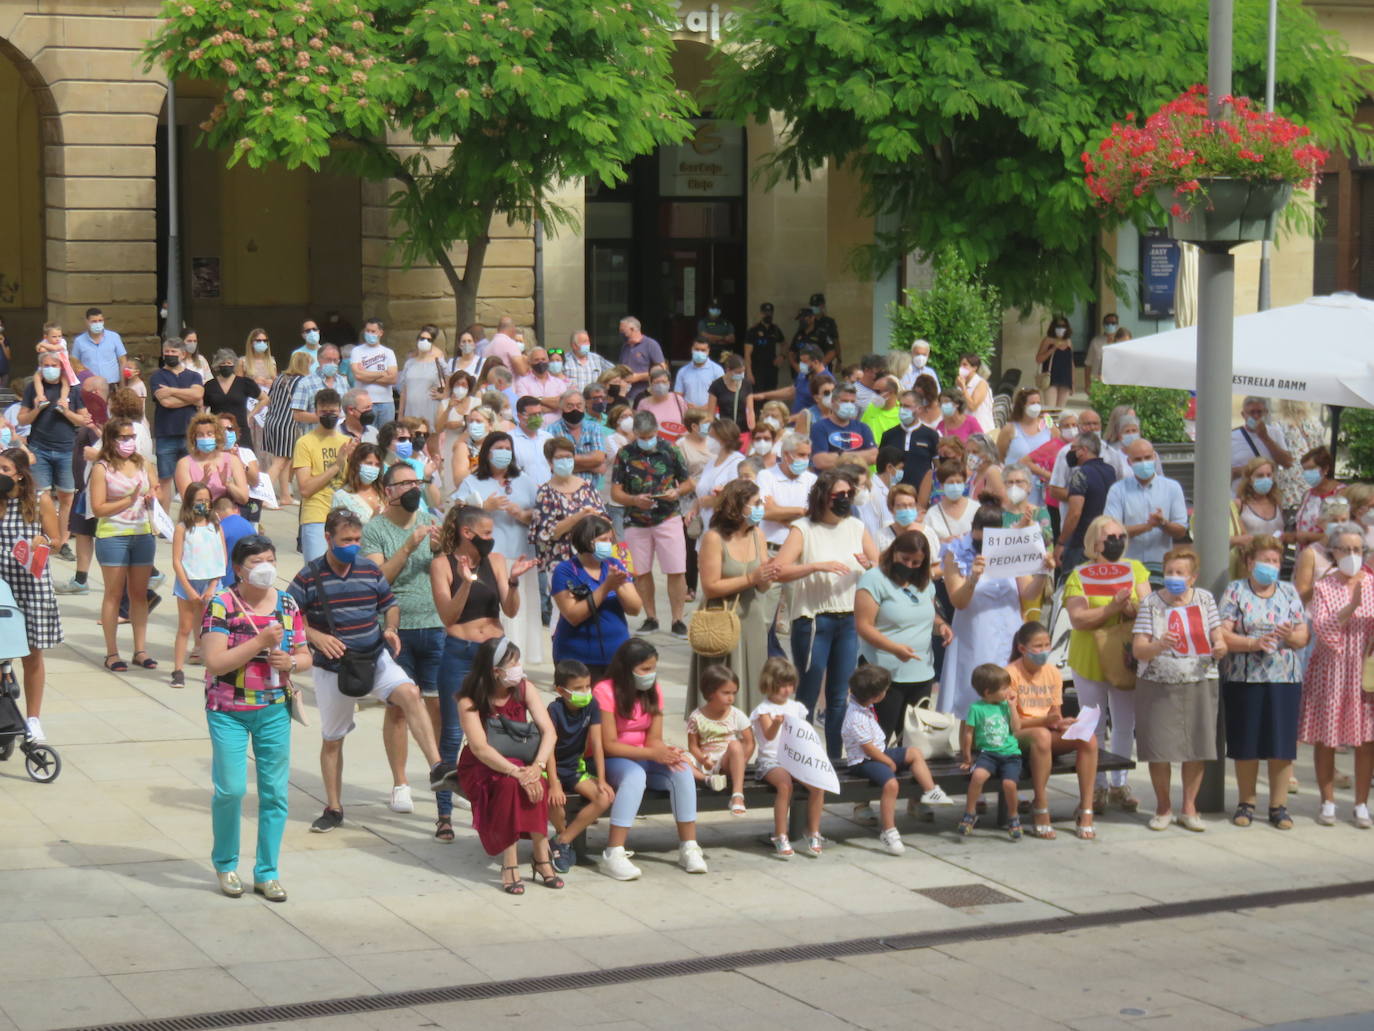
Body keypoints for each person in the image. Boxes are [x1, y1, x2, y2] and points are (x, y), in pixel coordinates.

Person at [290, 508, 457, 832]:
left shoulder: (369, 569)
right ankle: (334, 807)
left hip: (374, 656)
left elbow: (389, 604)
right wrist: (314, 636)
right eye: (346, 539)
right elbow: (289, 614)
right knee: (333, 739)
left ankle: (437, 767)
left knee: (410, 693)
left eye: (357, 539)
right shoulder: (309, 576)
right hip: (333, 668)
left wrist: (391, 628)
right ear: (328, 539)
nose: (353, 545)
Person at [202, 534, 312, 902]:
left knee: (275, 793)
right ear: (238, 568)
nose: (265, 567)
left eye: (270, 559)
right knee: (231, 789)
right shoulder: (222, 605)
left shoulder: (286, 603)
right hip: (228, 710)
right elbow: (215, 662)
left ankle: (267, 871)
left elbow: (304, 653)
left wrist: (293, 663)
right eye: (256, 562)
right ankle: (226, 863)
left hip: (273, 708)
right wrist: (260, 643)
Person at [430, 504, 534, 836]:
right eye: (486, 533)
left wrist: (514, 583)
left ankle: (504, 806)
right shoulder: (441, 564)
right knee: (452, 732)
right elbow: (448, 616)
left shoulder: (497, 561)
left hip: (496, 654)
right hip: (460, 652)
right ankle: (444, 814)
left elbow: (510, 610)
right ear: (467, 532)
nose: (491, 539)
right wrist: (464, 583)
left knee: (504, 727)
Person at [774, 468, 877, 758]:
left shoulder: (855, 526)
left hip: (848, 619)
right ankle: (800, 756)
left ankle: (834, 758)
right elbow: (779, 570)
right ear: (823, 497)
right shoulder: (803, 528)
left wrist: (868, 565)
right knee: (807, 692)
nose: (845, 500)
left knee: (839, 696)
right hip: (814, 619)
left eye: (849, 494)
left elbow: (879, 566)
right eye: (838, 495)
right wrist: (816, 566)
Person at [361, 463, 445, 817]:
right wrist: (409, 547)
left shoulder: (429, 518)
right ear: (388, 490)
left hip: (435, 623)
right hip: (396, 629)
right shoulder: (375, 530)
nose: (413, 488)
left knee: (437, 705)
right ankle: (400, 783)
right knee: (397, 708)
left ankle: (441, 775)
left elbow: (446, 571)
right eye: (405, 483)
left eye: (417, 481)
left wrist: (442, 551)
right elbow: (378, 579)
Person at [454, 636, 561, 893]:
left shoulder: (524, 688)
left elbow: (549, 732)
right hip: (483, 764)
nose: (519, 668)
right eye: (513, 663)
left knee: (538, 782)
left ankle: (540, 853)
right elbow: (480, 748)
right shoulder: (468, 700)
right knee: (509, 785)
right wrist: (518, 773)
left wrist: (536, 767)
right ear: (495, 671)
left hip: (522, 760)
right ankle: (510, 860)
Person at [1131, 547, 1227, 832]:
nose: (1173, 577)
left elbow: (1218, 637)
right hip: (1158, 683)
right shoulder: (1151, 602)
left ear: (1192, 577)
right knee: (1159, 748)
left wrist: (1220, 646)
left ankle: (1189, 807)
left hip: (1199, 680)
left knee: (1195, 746)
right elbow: (1139, 648)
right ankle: (1163, 807)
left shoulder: (1205, 599)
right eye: (1169, 572)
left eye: (1180, 573)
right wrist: (1159, 644)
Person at [595, 637, 708, 879]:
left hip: (645, 756)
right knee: (635, 776)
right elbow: (609, 745)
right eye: (645, 669)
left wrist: (667, 753)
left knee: (681, 769)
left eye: (654, 668)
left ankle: (689, 846)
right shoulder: (604, 691)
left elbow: (654, 738)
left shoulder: (653, 690)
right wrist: (652, 752)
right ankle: (614, 852)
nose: (651, 674)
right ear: (627, 669)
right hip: (613, 760)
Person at [1217, 536, 1308, 831]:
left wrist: (1287, 635)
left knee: (1281, 743)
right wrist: (1253, 642)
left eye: (1275, 561)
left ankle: (1278, 806)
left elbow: (1301, 637)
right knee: (1247, 742)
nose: (1271, 566)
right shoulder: (1235, 591)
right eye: (1265, 560)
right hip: (1244, 678)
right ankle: (1247, 802)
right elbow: (1223, 634)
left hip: (1284, 678)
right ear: (1249, 562)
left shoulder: (1289, 591)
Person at [1063, 515, 1149, 812]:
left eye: (1120, 536)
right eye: (1109, 537)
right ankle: (1096, 787)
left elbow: (1149, 608)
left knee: (1126, 723)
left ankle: (1119, 784)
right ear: (1094, 542)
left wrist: (1131, 607)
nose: (1116, 542)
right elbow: (1078, 618)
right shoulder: (1079, 575)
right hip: (1089, 657)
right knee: (1092, 725)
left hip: (1124, 655)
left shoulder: (1135, 569)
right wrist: (1112, 608)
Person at [939, 501, 1052, 720]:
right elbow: (958, 602)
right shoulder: (955, 552)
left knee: (1011, 692)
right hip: (975, 635)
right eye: (979, 536)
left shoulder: (1010, 548)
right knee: (976, 695)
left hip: (1010, 631)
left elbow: (1028, 593)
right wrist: (973, 578)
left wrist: (1042, 572)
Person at [1298, 522, 1374, 829]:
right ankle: (1327, 800)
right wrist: (1351, 607)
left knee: (1367, 740)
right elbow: (1324, 630)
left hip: (1364, 670)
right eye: (1346, 549)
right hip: (1331, 670)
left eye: (1358, 549)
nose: (1353, 555)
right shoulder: (1324, 586)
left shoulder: (1371, 583)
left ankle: (1360, 804)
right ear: (1333, 551)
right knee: (1326, 738)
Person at [450, 433, 542, 661]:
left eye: (507, 448)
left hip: (519, 554)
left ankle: (515, 660)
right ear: (487, 452)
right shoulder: (473, 481)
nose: (504, 452)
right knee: (493, 607)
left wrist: (522, 514)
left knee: (519, 609)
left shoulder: (524, 480)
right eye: (498, 447)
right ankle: (492, 658)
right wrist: (483, 505)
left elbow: (539, 513)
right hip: (488, 558)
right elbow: (456, 510)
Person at [692, 479, 780, 716]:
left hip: (750, 617)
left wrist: (767, 575)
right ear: (738, 506)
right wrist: (751, 578)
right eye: (756, 503)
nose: (761, 507)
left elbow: (762, 587)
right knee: (721, 685)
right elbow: (710, 587)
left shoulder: (757, 535)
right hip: (720, 619)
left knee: (752, 679)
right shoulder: (714, 537)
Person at [843, 665, 953, 854]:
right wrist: (887, 762)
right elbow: (867, 748)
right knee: (891, 785)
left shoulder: (864, 704)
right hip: (863, 761)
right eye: (885, 690)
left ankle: (930, 790)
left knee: (914, 753)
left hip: (879, 752)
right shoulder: (855, 717)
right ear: (876, 697)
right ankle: (889, 831)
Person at [855, 530, 950, 744]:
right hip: (884, 674)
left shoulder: (924, 583)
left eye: (916, 562)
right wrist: (894, 648)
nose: (909, 566)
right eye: (905, 559)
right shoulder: (873, 579)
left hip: (921, 673)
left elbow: (926, 614)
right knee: (879, 738)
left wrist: (942, 625)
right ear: (894, 552)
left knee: (913, 742)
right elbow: (864, 626)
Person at [1006, 621, 1099, 840]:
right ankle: (1041, 804)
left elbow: (1054, 712)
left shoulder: (1053, 673)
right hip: (1019, 735)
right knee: (1041, 735)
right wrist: (1045, 721)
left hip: (1046, 732)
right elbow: (1012, 724)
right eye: (1038, 646)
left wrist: (1062, 722)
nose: (1044, 650)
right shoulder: (1010, 674)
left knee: (1088, 738)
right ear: (1022, 648)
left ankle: (1086, 809)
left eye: (1047, 645)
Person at [611, 410, 695, 638]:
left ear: (656, 431)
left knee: (676, 569)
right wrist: (633, 500)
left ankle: (678, 619)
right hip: (636, 520)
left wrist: (676, 492)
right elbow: (616, 491)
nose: (647, 439)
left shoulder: (671, 450)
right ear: (635, 433)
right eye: (642, 435)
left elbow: (688, 483)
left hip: (668, 516)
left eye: (651, 434)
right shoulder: (625, 454)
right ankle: (651, 617)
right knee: (641, 571)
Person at [0, 448, 62, 742]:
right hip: (2, 585)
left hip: (31, 584)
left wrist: (44, 541)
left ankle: (33, 719)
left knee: (32, 655)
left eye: (4, 469)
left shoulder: (39, 501)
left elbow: (59, 540)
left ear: (20, 475)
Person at [89, 417, 157, 673]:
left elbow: (156, 489)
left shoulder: (143, 463)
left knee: (139, 594)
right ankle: (112, 652)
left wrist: (152, 496)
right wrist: (127, 501)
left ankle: (140, 650)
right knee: (114, 594)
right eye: (124, 437)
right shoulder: (102, 468)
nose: (129, 442)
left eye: (132, 437)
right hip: (113, 534)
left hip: (142, 532)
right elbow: (98, 508)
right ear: (111, 440)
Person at [550, 514, 641, 683]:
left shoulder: (614, 565)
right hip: (577, 660)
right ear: (587, 540)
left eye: (610, 539)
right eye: (603, 540)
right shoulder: (565, 571)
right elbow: (573, 616)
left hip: (615, 657)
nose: (608, 544)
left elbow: (635, 609)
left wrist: (618, 585)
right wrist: (606, 587)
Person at [544, 659, 615, 873]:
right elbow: (548, 750)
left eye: (587, 686)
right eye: (577, 688)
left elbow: (596, 743)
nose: (585, 691)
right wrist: (554, 783)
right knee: (555, 800)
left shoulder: (592, 705)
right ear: (560, 690)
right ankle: (560, 833)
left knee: (604, 797)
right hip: (550, 768)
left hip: (575, 768)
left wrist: (601, 780)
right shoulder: (553, 710)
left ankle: (562, 840)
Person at [749, 658, 826, 857]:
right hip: (771, 759)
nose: (786, 690)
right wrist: (776, 723)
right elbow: (768, 736)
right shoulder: (764, 710)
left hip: (794, 757)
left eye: (790, 685)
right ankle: (780, 834)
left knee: (818, 784)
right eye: (782, 686)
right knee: (785, 786)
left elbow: (803, 733)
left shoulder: (796, 707)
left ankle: (813, 830)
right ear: (770, 685)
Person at [19, 349, 91, 558]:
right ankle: (44, 537)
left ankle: (63, 540)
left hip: (66, 449)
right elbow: (23, 420)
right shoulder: (33, 388)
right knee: (41, 496)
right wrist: (37, 409)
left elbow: (83, 420)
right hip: (39, 448)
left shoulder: (73, 391)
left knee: (67, 496)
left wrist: (66, 411)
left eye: (54, 365)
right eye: (47, 365)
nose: (50, 369)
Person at [956, 664, 1025, 840]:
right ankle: (969, 813)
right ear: (987, 692)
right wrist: (967, 757)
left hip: (1010, 755)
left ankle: (1013, 816)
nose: (1008, 691)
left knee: (1009, 784)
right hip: (987, 754)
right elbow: (968, 733)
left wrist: (1012, 707)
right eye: (1004, 688)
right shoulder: (976, 708)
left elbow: (1016, 728)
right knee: (977, 777)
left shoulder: (1005, 705)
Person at [170, 480, 226, 688]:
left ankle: (211, 669)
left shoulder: (215, 527)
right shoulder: (182, 528)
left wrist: (212, 587)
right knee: (185, 627)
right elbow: (177, 560)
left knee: (210, 629)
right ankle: (178, 670)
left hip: (211, 584)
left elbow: (222, 559)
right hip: (188, 583)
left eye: (206, 500)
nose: (203, 504)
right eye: (198, 500)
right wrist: (188, 589)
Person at [1104, 437, 1189, 575]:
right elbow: (1111, 532)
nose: (1144, 463)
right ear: (1129, 462)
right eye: (1138, 460)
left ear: (1155, 457)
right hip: (1127, 566)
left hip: (1161, 566)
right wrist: (1147, 527)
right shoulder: (1118, 490)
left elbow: (1181, 530)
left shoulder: (1172, 488)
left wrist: (1163, 523)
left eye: (1147, 457)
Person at [686, 664, 754, 817]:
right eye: (726, 693)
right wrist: (702, 759)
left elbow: (749, 742)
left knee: (736, 745)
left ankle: (737, 795)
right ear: (710, 692)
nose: (731, 698)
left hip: (727, 761)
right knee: (680, 759)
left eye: (734, 693)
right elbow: (693, 746)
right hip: (706, 761)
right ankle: (707, 779)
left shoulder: (736, 715)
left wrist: (741, 762)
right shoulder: (696, 717)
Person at [292, 389, 352, 563]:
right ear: (316, 412)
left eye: (332, 412)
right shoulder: (305, 443)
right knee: (316, 573)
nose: (328, 416)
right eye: (324, 412)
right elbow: (305, 488)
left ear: (340, 411)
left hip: (345, 517)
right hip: (316, 516)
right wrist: (337, 466)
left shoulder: (347, 442)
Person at [531, 436, 606, 571]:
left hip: (592, 558)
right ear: (550, 462)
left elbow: (606, 521)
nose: (565, 461)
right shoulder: (545, 492)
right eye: (560, 458)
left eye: (568, 457)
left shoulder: (587, 486)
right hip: (560, 562)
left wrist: (596, 518)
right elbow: (547, 533)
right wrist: (577, 517)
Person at [149, 337, 205, 508]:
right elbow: (165, 402)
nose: (169, 355)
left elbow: (198, 396)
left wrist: (172, 391)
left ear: (183, 354)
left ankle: (191, 517)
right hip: (166, 434)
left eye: (173, 352)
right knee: (165, 479)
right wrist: (190, 398)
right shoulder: (157, 376)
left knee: (190, 478)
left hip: (189, 434)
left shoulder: (194, 375)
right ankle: (164, 523)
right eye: (167, 352)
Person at [1055, 432, 1115, 571]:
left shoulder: (1081, 474)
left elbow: (1075, 513)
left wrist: (1061, 542)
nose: (1071, 452)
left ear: (1083, 450)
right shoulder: (1110, 471)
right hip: (1106, 540)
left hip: (1081, 543)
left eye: (1073, 448)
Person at [262, 350, 313, 507]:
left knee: (284, 461)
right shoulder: (303, 381)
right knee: (279, 462)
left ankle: (285, 495)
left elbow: (270, 398)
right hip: (288, 424)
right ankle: (263, 496)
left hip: (272, 421)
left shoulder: (279, 378)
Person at [174, 413, 250, 508]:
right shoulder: (184, 463)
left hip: (225, 513)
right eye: (200, 435)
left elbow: (244, 499)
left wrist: (228, 484)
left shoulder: (232, 460)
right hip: (198, 513)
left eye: (209, 434)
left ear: (217, 436)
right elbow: (187, 501)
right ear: (194, 438)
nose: (205, 438)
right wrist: (202, 483)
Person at [1228, 457, 1287, 577]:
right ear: (1250, 479)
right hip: (1248, 567)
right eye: (1260, 476)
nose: (1265, 479)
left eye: (1269, 475)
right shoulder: (1240, 504)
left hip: (1273, 566)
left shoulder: (1277, 503)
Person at [544, 389, 610, 490]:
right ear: (561, 407)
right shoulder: (550, 430)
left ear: (584, 407)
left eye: (579, 406)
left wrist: (563, 461)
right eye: (569, 406)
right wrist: (592, 467)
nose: (575, 410)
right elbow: (550, 465)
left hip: (591, 491)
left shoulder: (594, 427)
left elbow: (599, 458)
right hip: (561, 490)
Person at [881, 390, 940, 500]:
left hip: (921, 496)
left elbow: (938, 466)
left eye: (907, 406)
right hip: (893, 496)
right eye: (901, 405)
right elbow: (881, 468)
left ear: (919, 409)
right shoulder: (889, 435)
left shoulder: (931, 435)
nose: (903, 410)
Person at [203, 348, 264, 451]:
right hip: (217, 430)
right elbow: (203, 407)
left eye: (229, 362)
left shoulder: (244, 383)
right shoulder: (210, 385)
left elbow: (264, 398)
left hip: (241, 429)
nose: (226, 365)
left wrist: (250, 415)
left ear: (234, 364)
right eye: (223, 363)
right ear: (218, 365)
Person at [807, 382, 877, 471]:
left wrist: (839, 456)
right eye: (845, 401)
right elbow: (821, 461)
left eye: (852, 402)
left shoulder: (863, 428)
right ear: (833, 402)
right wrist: (861, 456)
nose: (849, 405)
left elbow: (873, 457)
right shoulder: (819, 428)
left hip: (857, 481)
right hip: (829, 481)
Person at [997, 388, 1050, 499]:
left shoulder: (1047, 423)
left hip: (1041, 487)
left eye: (1038, 403)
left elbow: (1058, 443)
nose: (1036, 406)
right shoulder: (1010, 428)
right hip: (1015, 487)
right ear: (1023, 405)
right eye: (1032, 403)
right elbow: (999, 456)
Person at [1230, 396, 1293, 486]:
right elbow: (1223, 474)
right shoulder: (1232, 437)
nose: (1256, 416)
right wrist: (1251, 469)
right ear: (1243, 415)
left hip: (1268, 494)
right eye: (1251, 413)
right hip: (1240, 496)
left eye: (1259, 412)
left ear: (1266, 413)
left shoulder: (1275, 432)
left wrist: (1265, 437)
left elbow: (1288, 463)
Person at [349, 318, 399, 426]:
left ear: (380, 333)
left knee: (387, 436)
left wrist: (366, 375)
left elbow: (393, 378)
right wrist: (382, 373)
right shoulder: (357, 351)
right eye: (367, 331)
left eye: (373, 331)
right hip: (364, 403)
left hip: (386, 402)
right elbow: (358, 375)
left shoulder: (388, 352)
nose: (370, 334)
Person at [399, 324, 451, 426]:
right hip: (411, 411)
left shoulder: (438, 361)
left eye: (429, 339)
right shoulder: (409, 363)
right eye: (422, 338)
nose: (425, 341)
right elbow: (404, 391)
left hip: (430, 408)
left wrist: (444, 395)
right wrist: (400, 414)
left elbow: (450, 379)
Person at [1293, 445, 1343, 547]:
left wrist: (1308, 536)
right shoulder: (1307, 495)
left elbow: (1339, 533)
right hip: (1304, 554)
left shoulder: (1339, 493)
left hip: (1327, 555)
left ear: (1325, 469)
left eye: (1311, 469)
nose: (1307, 473)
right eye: (1305, 470)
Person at [924, 458, 978, 544]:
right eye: (950, 483)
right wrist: (943, 542)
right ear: (942, 485)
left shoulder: (976, 509)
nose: (955, 486)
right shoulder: (932, 514)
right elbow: (928, 542)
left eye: (959, 482)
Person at [70, 307, 126, 385]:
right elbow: (74, 363)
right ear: (87, 322)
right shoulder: (79, 341)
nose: (97, 324)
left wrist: (123, 384)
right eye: (94, 321)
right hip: (90, 386)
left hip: (112, 385)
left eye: (100, 321)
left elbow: (123, 361)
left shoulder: (114, 337)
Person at [330, 443, 386, 522]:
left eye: (377, 465)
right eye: (369, 463)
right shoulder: (341, 497)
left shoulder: (384, 494)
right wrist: (371, 523)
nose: (373, 468)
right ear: (357, 464)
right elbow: (340, 531)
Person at [1001, 463, 1052, 547]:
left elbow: (1047, 540)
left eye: (1019, 482)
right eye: (1010, 482)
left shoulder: (1040, 513)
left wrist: (1030, 524)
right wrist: (1019, 527)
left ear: (1029, 487)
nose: (1014, 486)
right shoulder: (998, 514)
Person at [617, 316, 666, 403]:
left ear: (632, 329)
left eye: (622, 331)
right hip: (626, 396)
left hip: (645, 397)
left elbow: (662, 372)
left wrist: (638, 377)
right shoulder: (625, 347)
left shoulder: (650, 345)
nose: (620, 333)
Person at [744, 302, 785, 393]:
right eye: (765, 312)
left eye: (770, 312)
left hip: (771, 369)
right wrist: (749, 372)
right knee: (758, 397)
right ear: (761, 313)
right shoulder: (753, 330)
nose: (768, 315)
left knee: (771, 395)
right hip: (757, 370)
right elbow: (747, 354)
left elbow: (784, 344)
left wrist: (782, 356)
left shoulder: (775, 329)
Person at [1035, 316, 1075, 409]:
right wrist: (1053, 348)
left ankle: (1058, 424)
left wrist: (1073, 383)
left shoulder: (1068, 342)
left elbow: (1071, 363)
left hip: (1065, 378)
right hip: (1051, 378)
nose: (1061, 328)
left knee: (1060, 410)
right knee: (1050, 408)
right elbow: (1039, 359)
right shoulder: (1048, 340)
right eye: (1058, 326)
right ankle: (1049, 424)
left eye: (1063, 326)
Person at [1084, 313, 1130, 394]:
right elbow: (1088, 364)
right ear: (1103, 325)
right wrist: (1087, 384)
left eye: (1113, 323)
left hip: (1116, 384)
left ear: (1117, 325)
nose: (1110, 325)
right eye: (1107, 323)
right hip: (1098, 383)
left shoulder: (1121, 342)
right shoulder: (1096, 342)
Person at [675, 337, 724, 409]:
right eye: (697, 349)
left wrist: (706, 407)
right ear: (692, 349)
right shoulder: (683, 371)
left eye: (703, 350)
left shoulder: (717, 370)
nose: (699, 352)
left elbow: (722, 394)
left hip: (710, 413)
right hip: (688, 413)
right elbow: (677, 396)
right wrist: (687, 406)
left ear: (708, 351)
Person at [706, 353, 752, 429]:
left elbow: (750, 411)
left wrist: (752, 429)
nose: (741, 375)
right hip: (724, 429)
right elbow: (710, 414)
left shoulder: (746, 384)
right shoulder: (716, 385)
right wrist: (704, 432)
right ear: (728, 370)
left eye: (743, 372)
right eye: (738, 372)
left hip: (744, 429)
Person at [955, 354, 995, 432]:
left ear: (974, 368)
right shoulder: (961, 383)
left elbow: (973, 406)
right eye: (960, 365)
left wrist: (963, 388)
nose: (961, 368)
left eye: (965, 365)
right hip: (966, 428)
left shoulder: (981, 383)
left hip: (982, 428)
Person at [860, 375, 902, 444]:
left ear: (890, 393)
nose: (873, 395)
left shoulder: (902, 413)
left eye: (877, 392)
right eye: (873, 391)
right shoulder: (871, 407)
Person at [238, 327, 277, 394]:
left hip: (268, 397)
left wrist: (272, 383)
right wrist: (252, 382)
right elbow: (237, 384)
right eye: (258, 341)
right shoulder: (243, 361)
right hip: (250, 398)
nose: (262, 343)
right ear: (251, 343)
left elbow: (276, 382)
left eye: (265, 341)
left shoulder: (271, 361)